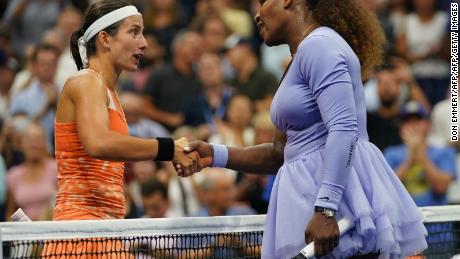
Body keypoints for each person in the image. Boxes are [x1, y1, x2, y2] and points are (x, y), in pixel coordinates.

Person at [178, 0, 428, 258]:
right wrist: (214, 154)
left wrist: (326, 209)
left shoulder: (319, 45)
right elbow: (279, 153)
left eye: (263, 2)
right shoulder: (300, 59)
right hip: (314, 206)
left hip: (336, 210)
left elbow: (343, 128)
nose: (257, 15)